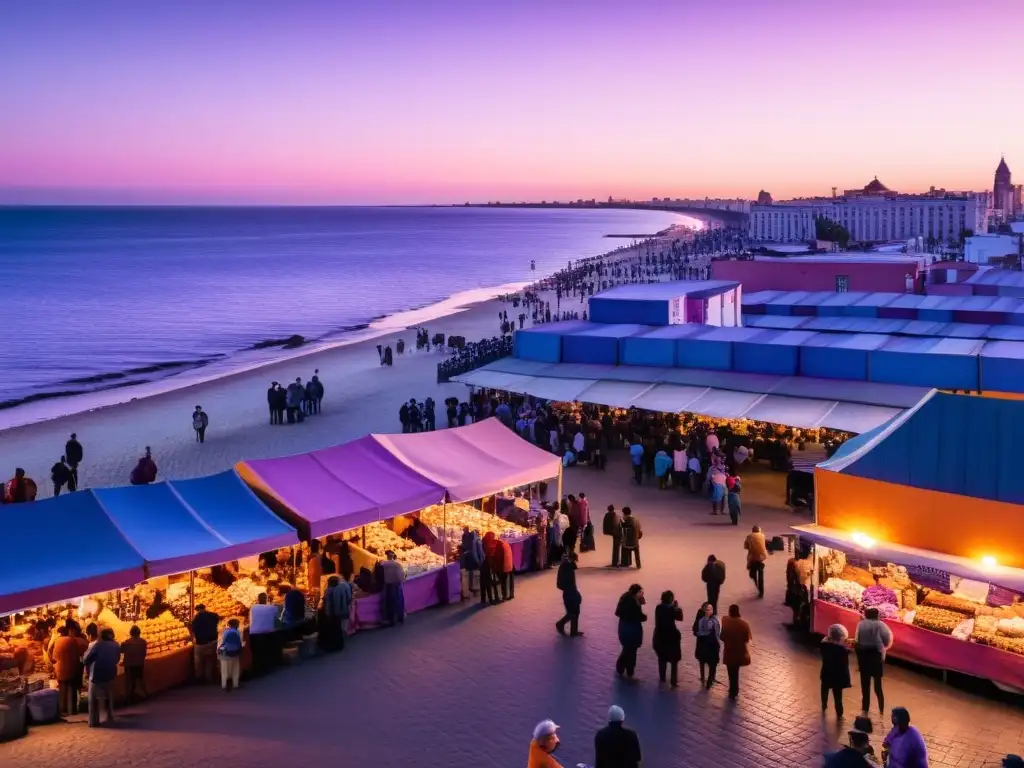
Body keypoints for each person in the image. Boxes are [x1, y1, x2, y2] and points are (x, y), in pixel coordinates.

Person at [855, 607, 893, 714]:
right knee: (877, 685)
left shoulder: (861, 624)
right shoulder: (880, 625)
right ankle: (881, 709)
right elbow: (887, 639)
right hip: (876, 656)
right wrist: (883, 647)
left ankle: (865, 708)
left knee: (865, 684)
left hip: (863, 657)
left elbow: (857, 638)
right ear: (877, 615)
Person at [83, 628, 120, 727]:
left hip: (96, 676)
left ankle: (93, 721)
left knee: (93, 699)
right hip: (110, 675)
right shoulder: (116, 645)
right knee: (109, 696)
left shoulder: (97, 645)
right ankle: (110, 717)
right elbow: (117, 659)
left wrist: (91, 664)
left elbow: (85, 659)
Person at [52, 625, 87, 716]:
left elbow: (51, 654)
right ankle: (72, 710)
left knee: (62, 689)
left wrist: (55, 663)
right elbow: (79, 653)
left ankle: (63, 710)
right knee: (72, 689)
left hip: (60, 669)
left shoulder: (57, 641)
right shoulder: (72, 640)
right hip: (71, 668)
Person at [614, 584, 647, 679]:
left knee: (628, 649)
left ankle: (624, 669)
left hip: (624, 627)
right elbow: (637, 615)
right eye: (641, 592)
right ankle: (627, 670)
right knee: (631, 650)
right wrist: (643, 616)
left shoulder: (626, 597)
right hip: (632, 629)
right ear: (636, 592)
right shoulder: (633, 601)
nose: (642, 594)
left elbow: (619, 612)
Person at [721, 604, 752, 700]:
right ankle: (735, 689)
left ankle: (732, 689)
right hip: (739, 651)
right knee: (736, 671)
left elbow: (721, 636)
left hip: (729, 651)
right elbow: (747, 639)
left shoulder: (725, 622)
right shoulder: (744, 624)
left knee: (730, 671)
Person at [653, 590, 683, 687]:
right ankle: (673, 682)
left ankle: (662, 678)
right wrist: (677, 608)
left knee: (662, 658)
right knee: (674, 660)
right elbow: (680, 617)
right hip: (671, 637)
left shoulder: (658, 608)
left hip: (659, 636)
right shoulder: (671, 609)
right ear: (671, 599)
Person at [821, 624, 852, 717]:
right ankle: (839, 712)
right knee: (838, 696)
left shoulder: (824, 646)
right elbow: (844, 664)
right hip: (838, 677)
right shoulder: (842, 649)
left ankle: (824, 705)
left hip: (826, 673)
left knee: (824, 689)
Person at [248, 592, 280, 676]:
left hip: (255, 632)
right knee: (267, 651)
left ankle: (257, 669)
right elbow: (277, 617)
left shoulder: (253, 607)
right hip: (268, 632)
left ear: (258, 600)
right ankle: (266, 668)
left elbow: (250, 619)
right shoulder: (272, 608)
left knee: (256, 652)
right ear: (267, 599)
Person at [693, 601, 721, 689]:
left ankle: (703, 677)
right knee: (712, 661)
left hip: (702, 643)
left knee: (702, 660)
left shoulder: (700, 617)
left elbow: (695, 629)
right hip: (711, 643)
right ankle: (711, 679)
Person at [555, 551, 583, 637]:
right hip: (569, 593)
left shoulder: (567, 566)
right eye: (575, 560)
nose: (575, 562)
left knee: (575, 612)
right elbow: (567, 583)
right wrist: (574, 593)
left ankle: (573, 631)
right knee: (572, 612)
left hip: (571, 592)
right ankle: (560, 624)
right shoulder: (566, 566)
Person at [190, 603, 220, 683]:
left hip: (201, 643)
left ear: (198, 610)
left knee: (199, 661)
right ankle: (208, 678)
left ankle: (199, 678)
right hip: (213, 642)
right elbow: (218, 620)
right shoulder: (213, 615)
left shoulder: (197, 618)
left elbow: (192, 628)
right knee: (209, 661)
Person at [120, 625, 148, 704]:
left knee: (130, 681)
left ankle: (129, 697)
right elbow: (144, 653)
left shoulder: (126, 642)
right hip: (139, 663)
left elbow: (121, 651)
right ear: (139, 633)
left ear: (130, 633)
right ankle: (145, 694)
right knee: (140, 679)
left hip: (129, 664)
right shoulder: (143, 642)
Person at [380, 550, 407, 625]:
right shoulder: (397, 565)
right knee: (397, 601)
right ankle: (399, 617)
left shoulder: (383, 564)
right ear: (393, 556)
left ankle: (389, 619)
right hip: (396, 585)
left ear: (387, 556)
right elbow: (401, 577)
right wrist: (403, 578)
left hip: (386, 585)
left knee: (388, 602)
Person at [217, 618, 244, 691]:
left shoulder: (223, 632)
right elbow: (240, 643)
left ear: (229, 624)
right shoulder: (238, 632)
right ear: (237, 625)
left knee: (224, 670)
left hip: (224, 653)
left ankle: (224, 685)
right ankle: (235, 684)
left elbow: (220, 642)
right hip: (234, 653)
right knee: (235, 669)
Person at [743, 525, 768, 597]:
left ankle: (756, 583)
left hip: (753, 559)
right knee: (761, 576)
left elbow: (746, 547)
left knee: (752, 574)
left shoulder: (749, 536)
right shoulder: (763, 535)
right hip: (762, 558)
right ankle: (761, 591)